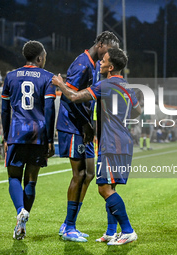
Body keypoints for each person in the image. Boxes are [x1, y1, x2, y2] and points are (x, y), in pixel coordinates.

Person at [53, 47, 141, 245]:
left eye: (104, 61)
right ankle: (111, 231)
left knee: (103, 189)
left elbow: (74, 97)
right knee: (111, 186)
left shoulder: (105, 85)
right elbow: (137, 111)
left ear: (111, 67)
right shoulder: (127, 87)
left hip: (111, 144)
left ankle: (127, 230)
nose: (100, 62)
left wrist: (60, 84)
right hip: (124, 142)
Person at [56, 31, 120, 242]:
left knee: (90, 174)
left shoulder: (93, 63)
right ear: (100, 44)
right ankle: (69, 227)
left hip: (84, 126)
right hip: (73, 125)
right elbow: (69, 98)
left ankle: (68, 223)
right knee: (80, 174)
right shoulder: (82, 64)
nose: (109, 56)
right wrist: (85, 124)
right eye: (109, 50)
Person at [1, 41, 56, 240]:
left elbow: (5, 110)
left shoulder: (10, 76)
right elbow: (49, 110)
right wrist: (50, 138)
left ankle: (20, 211)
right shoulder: (48, 77)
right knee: (31, 180)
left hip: (16, 131)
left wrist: (6, 136)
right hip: (38, 133)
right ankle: (22, 223)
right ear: (40, 58)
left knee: (14, 177)